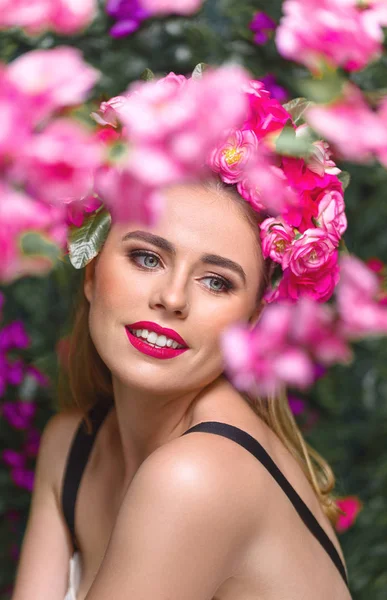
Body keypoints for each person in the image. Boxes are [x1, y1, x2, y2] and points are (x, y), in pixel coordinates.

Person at [11, 174, 351, 600]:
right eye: (147, 257)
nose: (172, 299)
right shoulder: (70, 447)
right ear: (93, 271)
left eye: (216, 282)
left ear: (252, 323)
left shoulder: (197, 476)